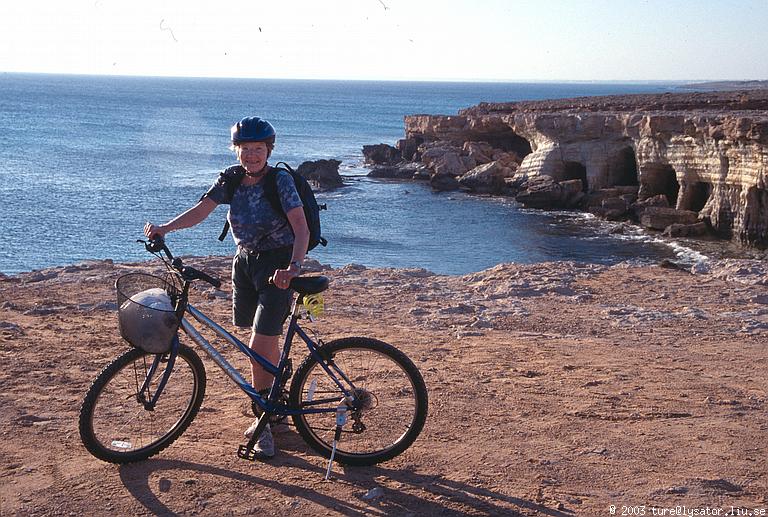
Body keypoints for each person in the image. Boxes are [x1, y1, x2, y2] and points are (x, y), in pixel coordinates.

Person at [144, 116, 309, 459]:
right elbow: (201, 211)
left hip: (278, 265)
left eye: (258, 149)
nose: (252, 155)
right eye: (245, 149)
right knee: (261, 340)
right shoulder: (232, 178)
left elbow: (301, 227)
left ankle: (264, 421)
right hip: (244, 263)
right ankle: (276, 392)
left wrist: (293, 268)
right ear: (236, 151)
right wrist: (165, 229)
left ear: (269, 150)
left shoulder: (279, 181)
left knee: (257, 345)